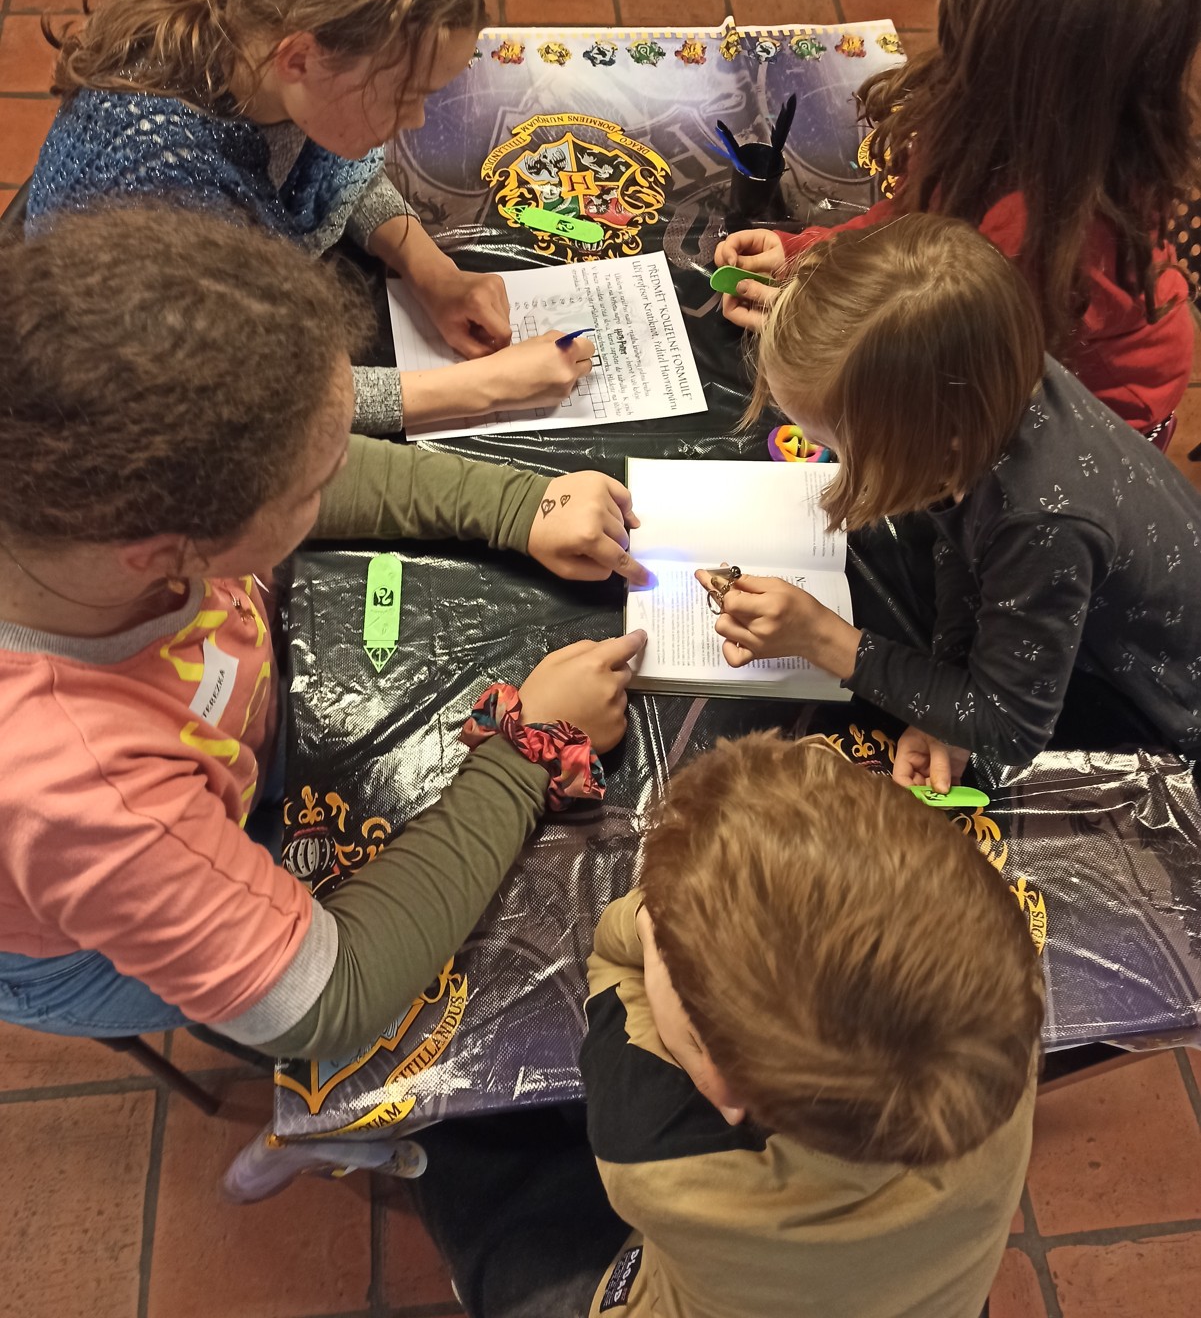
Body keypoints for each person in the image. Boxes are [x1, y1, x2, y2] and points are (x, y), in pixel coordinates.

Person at [0, 204, 647, 1057]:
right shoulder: (88, 794)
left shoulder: (83, 510)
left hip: (217, 740)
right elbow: (330, 1001)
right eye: (310, 488)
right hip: (81, 943)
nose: (334, 475)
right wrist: (526, 750)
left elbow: (292, 450)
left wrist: (514, 504)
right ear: (170, 554)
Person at [414, 732, 1043, 1318]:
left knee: (478, 1186)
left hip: (668, 1286)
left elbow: (612, 951)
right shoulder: (1004, 1002)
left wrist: (650, 924)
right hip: (926, 1289)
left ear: (727, 1080)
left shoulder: (657, 1158)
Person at [27, 0, 591, 437]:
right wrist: (489, 386)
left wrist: (433, 273)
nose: (417, 121)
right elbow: (265, 400)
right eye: (405, 94)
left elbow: (329, 160)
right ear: (299, 59)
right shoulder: (158, 183)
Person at [716, 0, 1199, 441]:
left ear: (1010, 47)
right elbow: (915, 223)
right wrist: (810, 257)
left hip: (1054, 430)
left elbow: (942, 392)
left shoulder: (1033, 242)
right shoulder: (1006, 117)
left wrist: (813, 322)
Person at [705, 213, 1201, 789]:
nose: (830, 460)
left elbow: (1010, 726)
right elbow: (963, 533)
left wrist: (822, 639)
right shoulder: (984, 372)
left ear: (929, 442)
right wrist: (945, 690)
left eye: (835, 446)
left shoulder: (1043, 524)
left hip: (1152, 705)